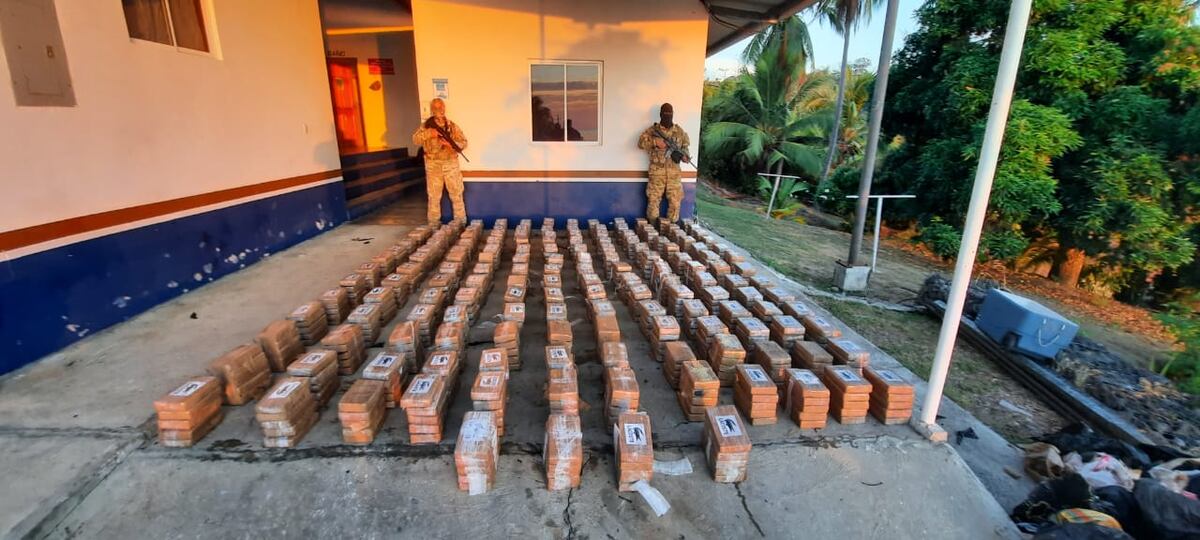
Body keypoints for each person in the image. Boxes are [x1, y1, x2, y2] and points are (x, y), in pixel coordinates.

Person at [412, 98, 468, 224]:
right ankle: (433, 225)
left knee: (457, 195)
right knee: (434, 197)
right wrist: (428, 134)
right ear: (432, 109)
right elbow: (415, 140)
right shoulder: (426, 126)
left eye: (441, 107)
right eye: (436, 108)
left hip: (451, 164)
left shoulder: (452, 126)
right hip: (433, 165)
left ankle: (461, 224)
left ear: (444, 108)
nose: (439, 110)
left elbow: (464, 142)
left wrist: (450, 145)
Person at [637, 103, 690, 223]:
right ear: (660, 114)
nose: (668, 116)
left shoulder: (679, 132)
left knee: (675, 202)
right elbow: (640, 143)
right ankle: (651, 228)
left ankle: (671, 228)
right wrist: (655, 142)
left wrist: (685, 157)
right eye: (665, 113)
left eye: (670, 114)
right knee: (653, 201)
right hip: (657, 173)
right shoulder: (652, 130)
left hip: (674, 174)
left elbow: (685, 148)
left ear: (673, 114)